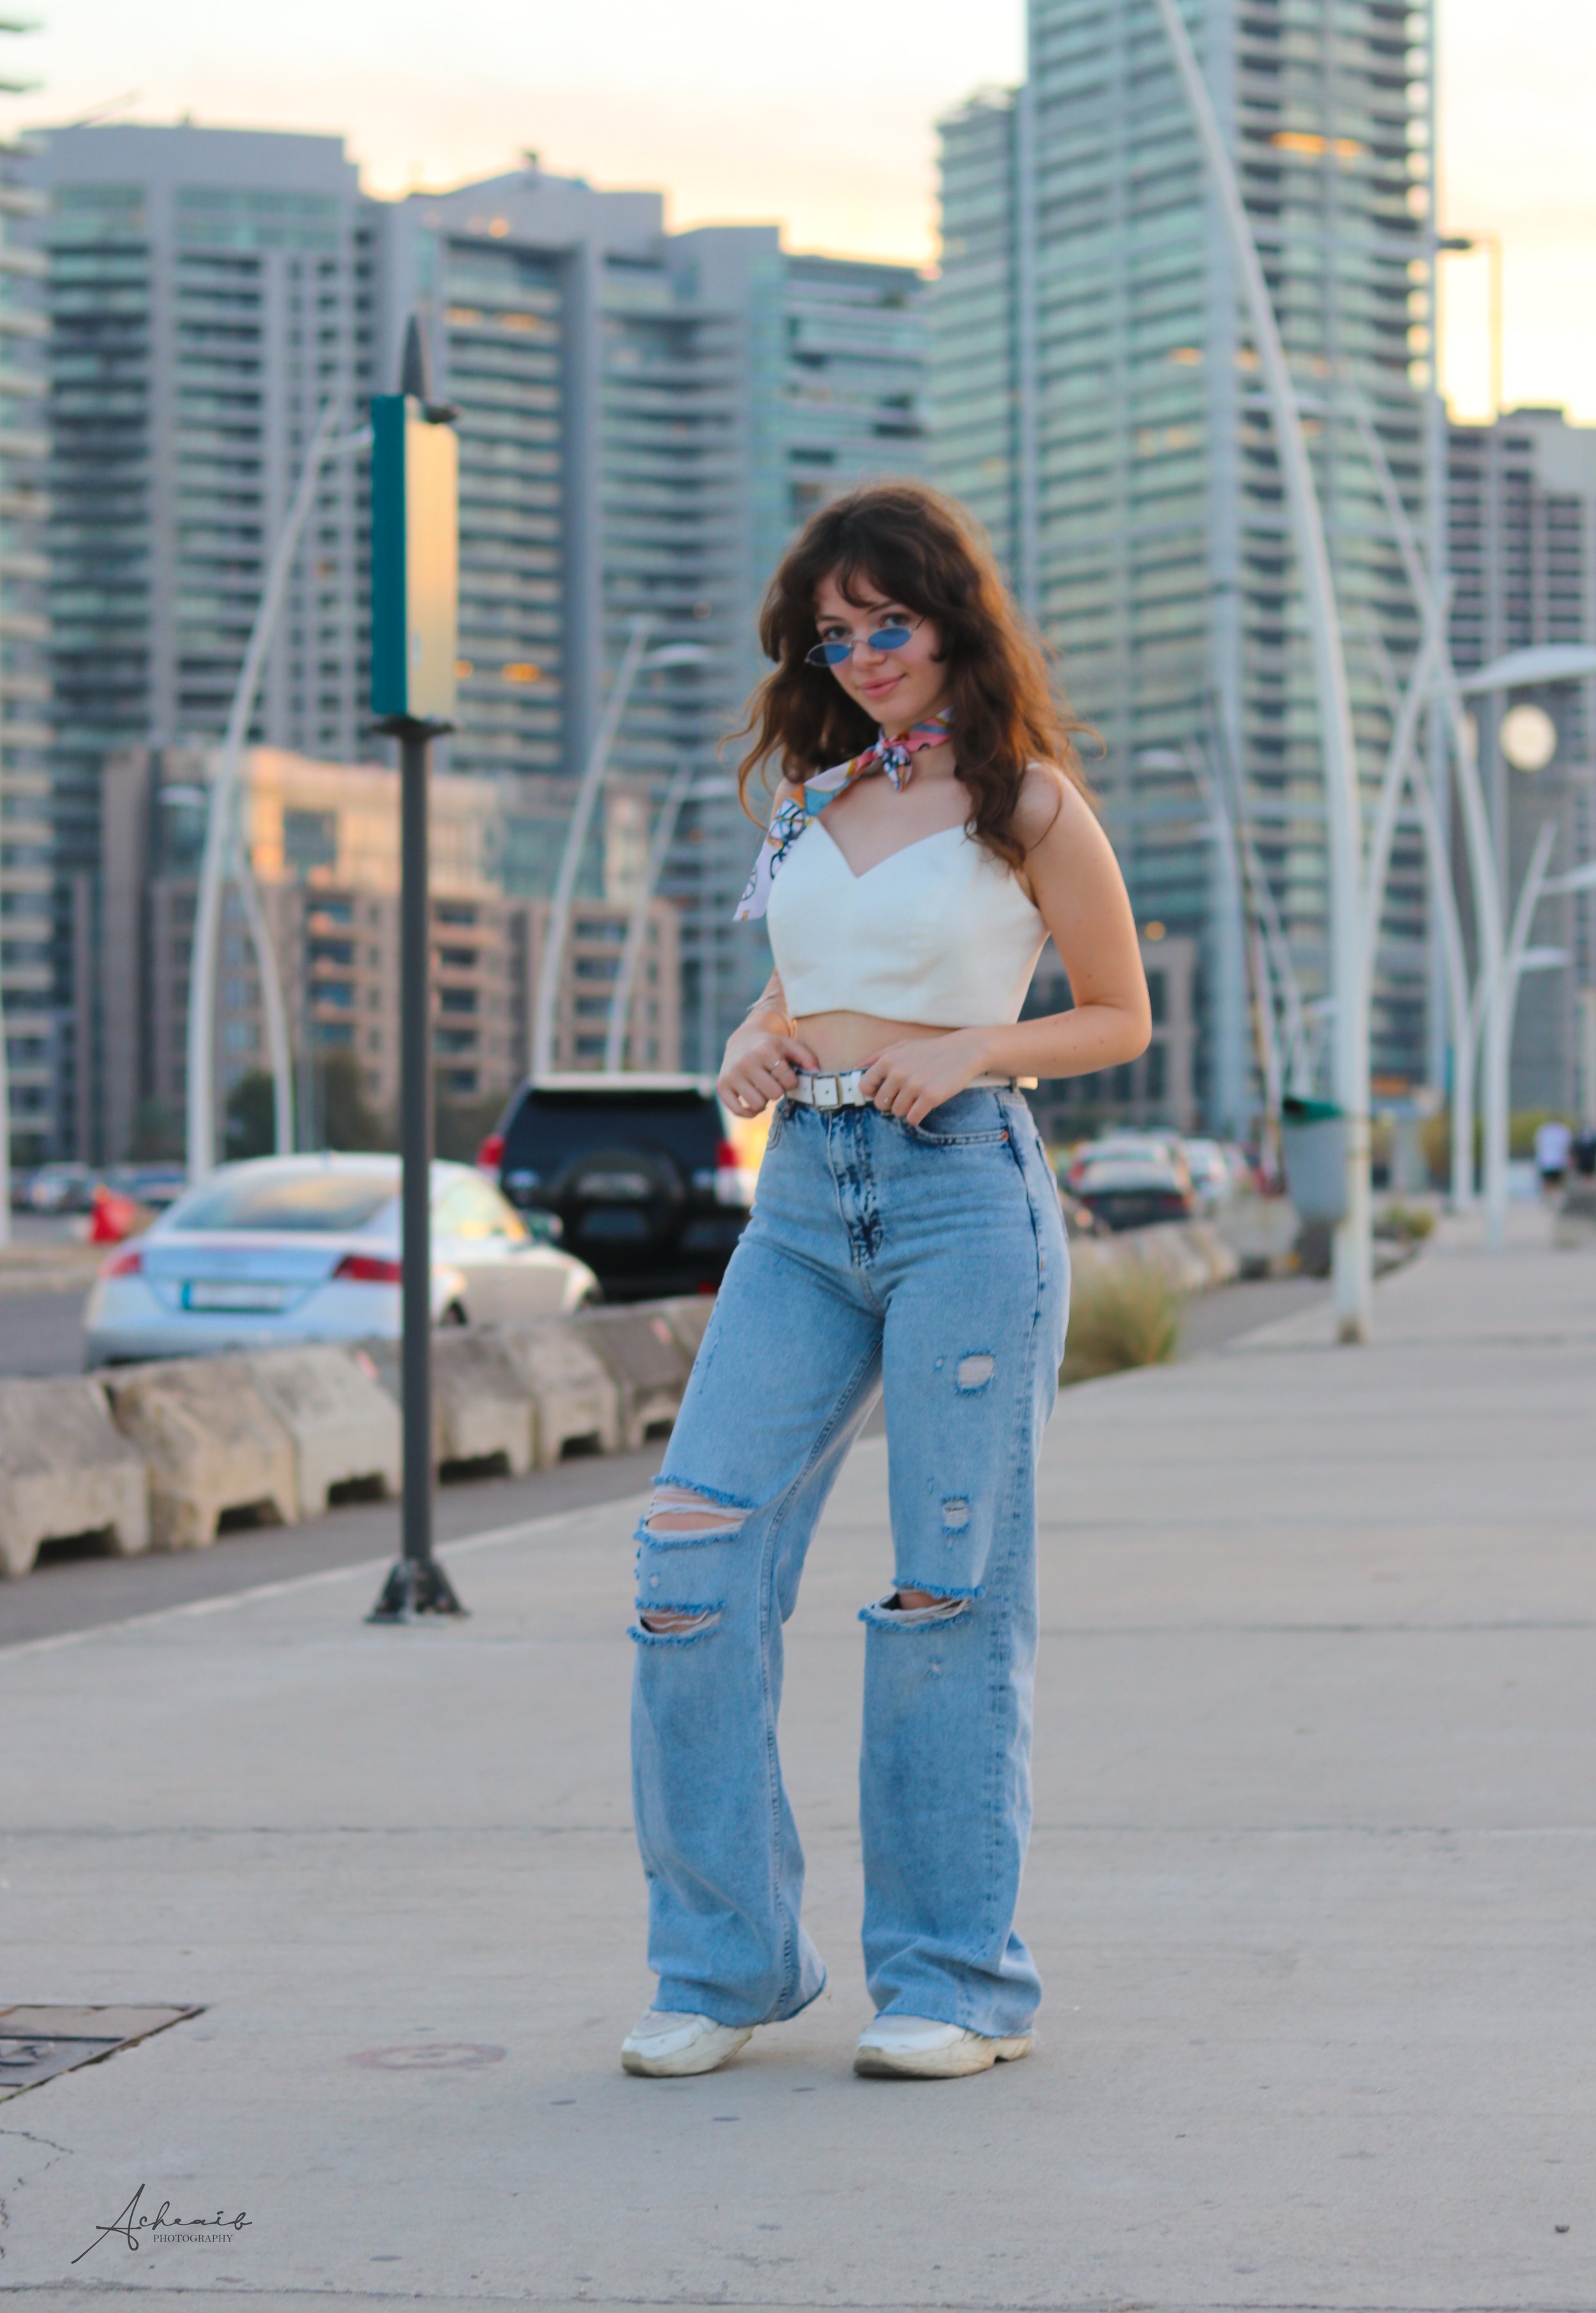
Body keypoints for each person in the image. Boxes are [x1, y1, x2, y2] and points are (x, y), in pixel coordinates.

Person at [621, 483, 1149, 2084]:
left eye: (888, 623)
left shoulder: (1025, 802)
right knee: (687, 1565)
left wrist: (976, 1043)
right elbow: (806, 978)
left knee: (945, 1588)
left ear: (951, 621)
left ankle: (955, 1979)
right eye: (834, 634)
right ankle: (724, 1962)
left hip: (962, 1198)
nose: (861, 655)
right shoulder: (814, 794)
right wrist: (750, 1037)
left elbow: (1116, 1013)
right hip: (798, 1203)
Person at [1534, 1115, 1572, 1192]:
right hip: (1557, 1161)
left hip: (1547, 1161)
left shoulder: (1543, 1130)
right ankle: (1555, 1198)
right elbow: (1569, 1146)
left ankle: (1551, 1198)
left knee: (1549, 1183)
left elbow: (1537, 1144)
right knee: (1557, 1183)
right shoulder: (1563, 1130)